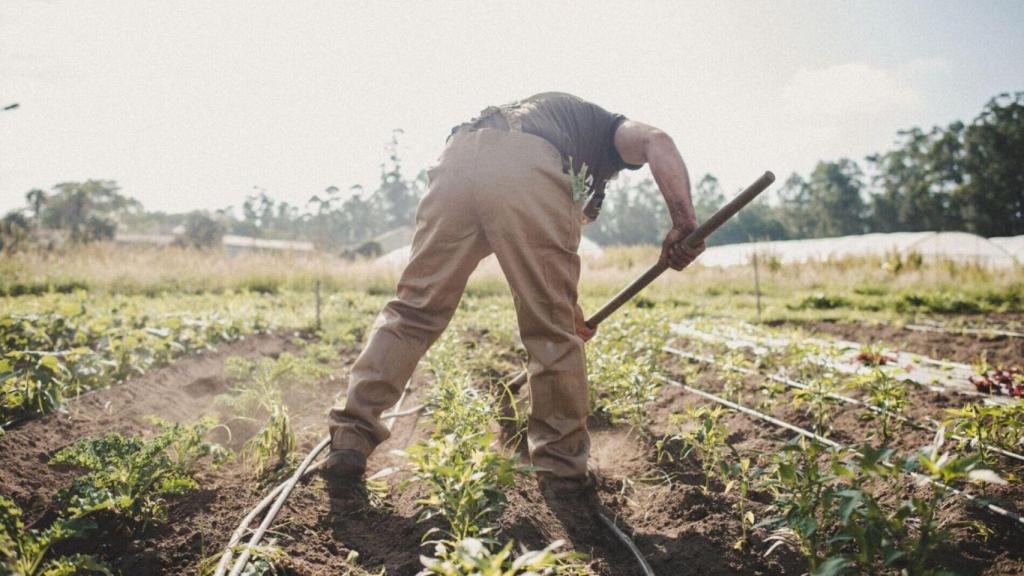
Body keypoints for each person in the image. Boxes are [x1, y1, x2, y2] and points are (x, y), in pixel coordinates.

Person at [324, 92, 703, 493]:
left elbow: (545, 258)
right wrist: (684, 222)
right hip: (524, 163)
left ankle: (352, 434)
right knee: (551, 333)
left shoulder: (555, 123)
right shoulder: (608, 131)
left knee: (415, 307)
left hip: (456, 159)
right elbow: (657, 140)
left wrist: (568, 307)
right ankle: (561, 468)